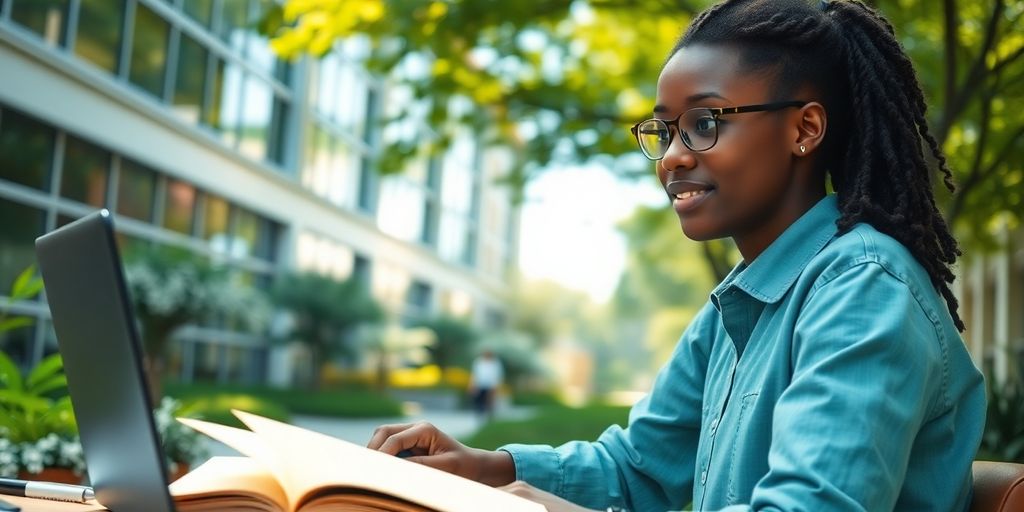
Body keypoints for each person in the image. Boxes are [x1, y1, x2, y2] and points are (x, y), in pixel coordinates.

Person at [367, 0, 987, 510]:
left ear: (805, 129)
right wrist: (487, 466)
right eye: (665, 130)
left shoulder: (863, 288)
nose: (672, 158)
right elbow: (641, 467)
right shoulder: (738, 304)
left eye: (706, 123)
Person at [469, 349, 504, 422]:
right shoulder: (478, 362)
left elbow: (498, 375)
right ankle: (479, 416)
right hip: (480, 384)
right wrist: (472, 385)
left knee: (489, 401)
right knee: (479, 401)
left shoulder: (495, 363)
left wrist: (495, 386)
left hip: (491, 385)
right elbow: (475, 374)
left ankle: (490, 417)